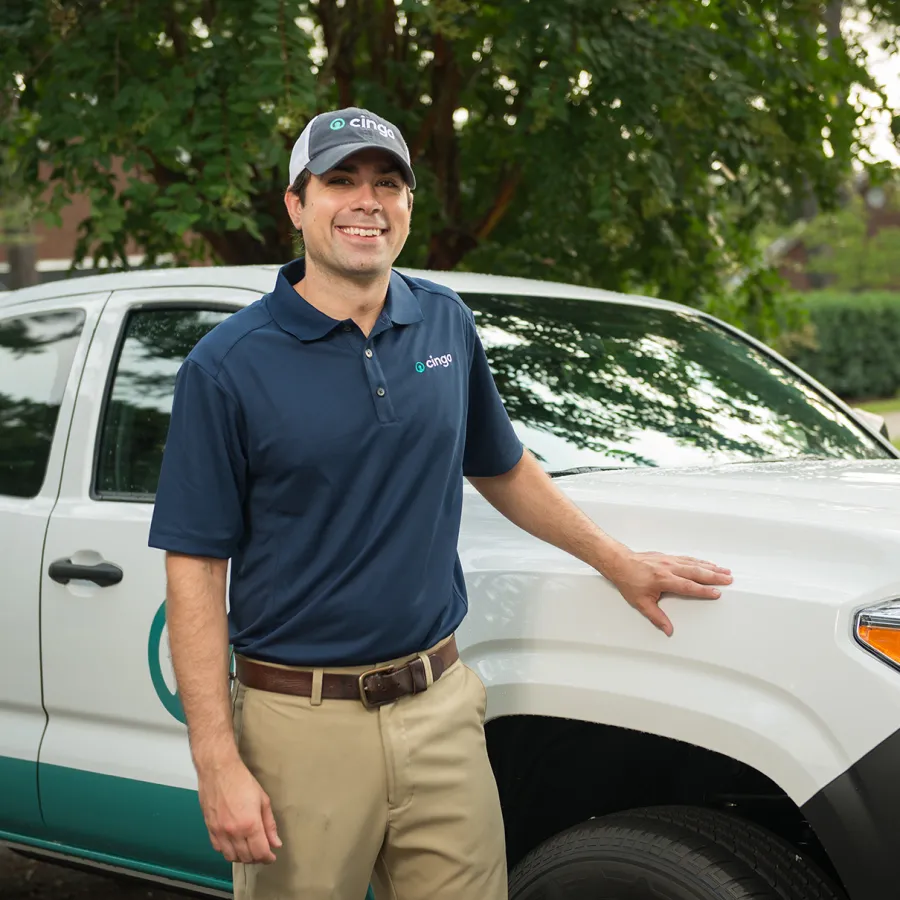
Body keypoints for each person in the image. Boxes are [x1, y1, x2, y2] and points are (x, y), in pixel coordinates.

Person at [148, 106, 733, 900]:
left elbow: (503, 467)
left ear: (408, 206)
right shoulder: (226, 367)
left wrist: (618, 562)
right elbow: (195, 568)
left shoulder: (445, 323)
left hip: (442, 708)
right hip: (299, 724)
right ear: (296, 204)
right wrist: (216, 761)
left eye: (388, 183)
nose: (368, 200)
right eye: (341, 181)